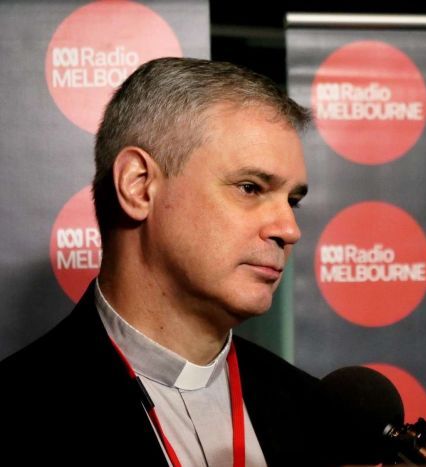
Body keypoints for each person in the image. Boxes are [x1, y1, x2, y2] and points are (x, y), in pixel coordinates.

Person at [0, 58, 376, 466]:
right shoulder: (14, 414)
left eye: (293, 201)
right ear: (139, 186)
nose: (289, 229)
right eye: (250, 188)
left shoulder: (314, 411)